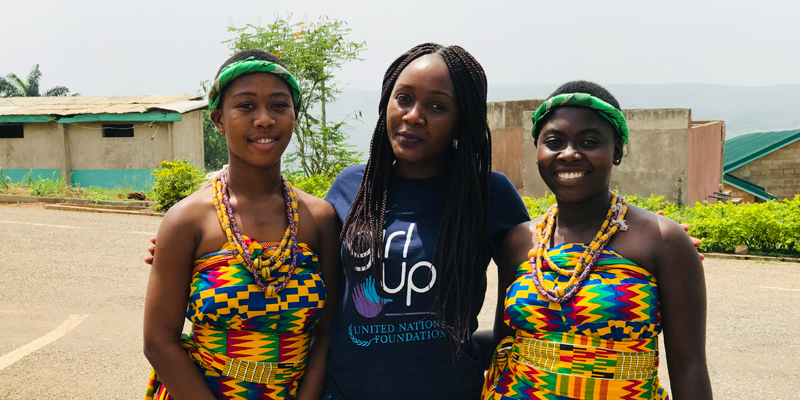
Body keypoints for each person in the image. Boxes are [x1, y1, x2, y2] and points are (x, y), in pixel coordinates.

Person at [321, 42, 530, 400]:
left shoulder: (487, 193)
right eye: (403, 98)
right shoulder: (351, 186)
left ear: (461, 119)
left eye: (437, 106)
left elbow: (522, 311)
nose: (414, 115)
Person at [483, 81, 713, 399]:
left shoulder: (663, 240)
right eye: (553, 142)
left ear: (617, 151)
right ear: (537, 151)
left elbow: (689, 365)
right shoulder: (520, 241)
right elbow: (503, 339)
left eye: (589, 141)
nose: (569, 154)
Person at [142, 49, 341, 400]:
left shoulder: (319, 219)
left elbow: (326, 334)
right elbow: (159, 342)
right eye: (246, 106)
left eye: (279, 105)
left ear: (294, 115)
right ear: (218, 119)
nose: (264, 119)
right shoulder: (187, 221)